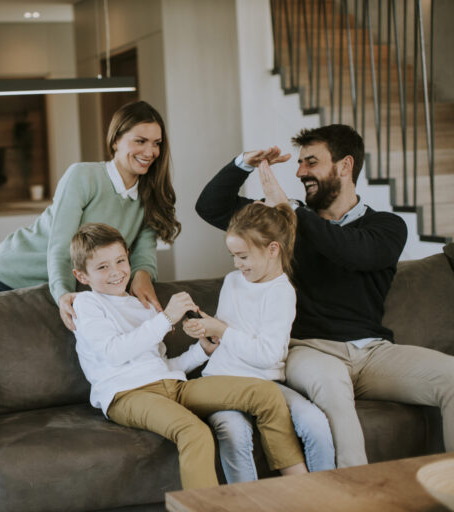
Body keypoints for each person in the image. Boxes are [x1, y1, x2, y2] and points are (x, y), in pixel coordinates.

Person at [195, 124, 454, 468]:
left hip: (373, 353)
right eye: (300, 163)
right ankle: (356, 496)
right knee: (332, 386)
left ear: (345, 166)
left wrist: (292, 209)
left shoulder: (387, 226)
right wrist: (243, 163)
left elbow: (351, 253)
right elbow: (211, 208)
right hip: (310, 349)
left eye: (311, 162)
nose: (301, 172)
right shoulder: (283, 224)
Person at [70, 222, 307, 489]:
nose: (115, 272)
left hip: (173, 385)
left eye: (120, 261)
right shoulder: (86, 304)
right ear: (82, 276)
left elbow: (161, 365)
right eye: (102, 267)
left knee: (265, 393)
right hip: (127, 394)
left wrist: (202, 351)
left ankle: (296, 487)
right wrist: (166, 318)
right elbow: (114, 353)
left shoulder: (142, 305)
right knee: (195, 433)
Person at [0, 101, 181, 330]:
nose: (150, 152)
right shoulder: (83, 176)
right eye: (140, 141)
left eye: (156, 143)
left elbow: (144, 250)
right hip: (10, 273)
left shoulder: (150, 195)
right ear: (116, 140)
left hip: (57, 287)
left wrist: (142, 274)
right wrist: (63, 293)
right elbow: (61, 244)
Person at [182, 202, 335, 482]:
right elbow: (227, 332)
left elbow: (268, 355)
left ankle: (322, 495)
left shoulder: (281, 293)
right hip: (223, 379)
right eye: (233, 256)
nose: (237, 264)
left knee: (315, 423)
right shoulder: (232, 281)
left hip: (266, 384)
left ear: (273, 249)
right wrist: (209, 328)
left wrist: (224, 330)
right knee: (234, 433)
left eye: (243, 256)